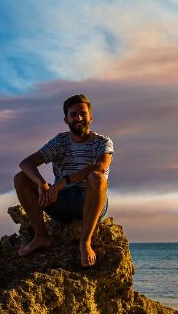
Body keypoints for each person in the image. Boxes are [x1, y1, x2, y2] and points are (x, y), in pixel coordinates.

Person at [14, 94, 113, 267]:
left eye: (83, 114)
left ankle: (85, 242)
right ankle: (41, 236)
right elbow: (26, 163)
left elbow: (101, 167)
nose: (79, 118)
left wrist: (64, 182)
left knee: (97, 178)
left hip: (90, 202)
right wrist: (41, 183)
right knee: (21, 178)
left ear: (91, 116)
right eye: (73, 114)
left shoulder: (102, 142)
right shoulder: (60, 142)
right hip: (62, 201)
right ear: (66, 119)